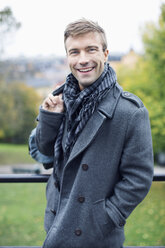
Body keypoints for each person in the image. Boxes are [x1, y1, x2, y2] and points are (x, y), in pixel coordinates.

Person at [35, 19, 153, 248]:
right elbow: (45, 152)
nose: (83, 60)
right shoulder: (61, 100)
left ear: (106, 54)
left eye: (91, 49)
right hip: (57, 221)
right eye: (74, 52)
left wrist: (105, 217)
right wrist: (50, 116)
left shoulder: (130, 111)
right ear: (67, 58)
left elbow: (138, 178)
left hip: (97, 236)